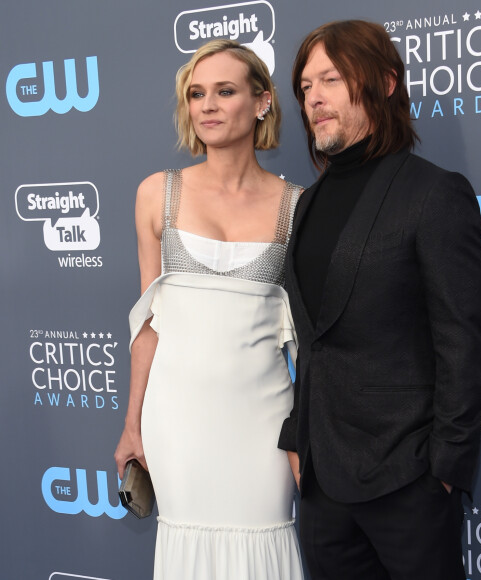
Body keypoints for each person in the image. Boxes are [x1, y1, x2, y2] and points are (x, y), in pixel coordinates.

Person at [278, 20, 481, 580]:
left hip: (408, 478)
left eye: (331, 79)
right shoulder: (308, 205)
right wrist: (299, 439)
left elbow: (462, 343)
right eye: (304, 87)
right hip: (323, 485)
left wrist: (443, 470)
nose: (313, 97)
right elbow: (313, 341)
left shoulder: (434, 193)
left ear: (385, 82)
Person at [114, 39, 304, 580]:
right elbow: (146, 326)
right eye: (197, 94)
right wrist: (132, 425)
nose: (208, 106)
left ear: (262, 101)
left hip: (264, 421)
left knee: (264, 546)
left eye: (225, 91)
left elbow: (311, 339)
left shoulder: (298, 205)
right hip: (177, 420)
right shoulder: (157, 194)